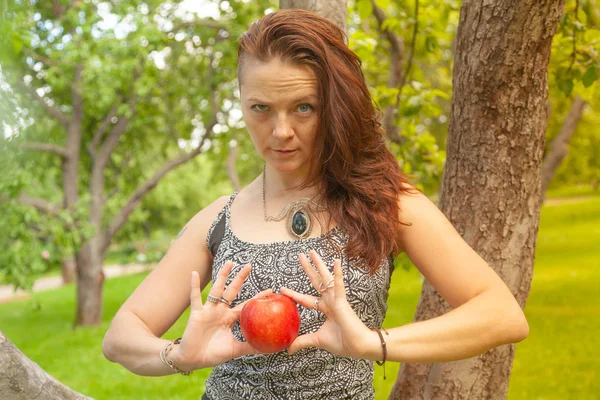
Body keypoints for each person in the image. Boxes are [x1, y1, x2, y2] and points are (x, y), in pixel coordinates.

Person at [102, 9, 529, 400]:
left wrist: (372, 343)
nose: (281, 130)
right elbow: (120, 337)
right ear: (243, 105)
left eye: (304, 107)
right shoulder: (218, 219)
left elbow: (502, 315)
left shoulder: (383, 201)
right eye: (261, 109)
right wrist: (181, 354)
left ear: (335, 106)